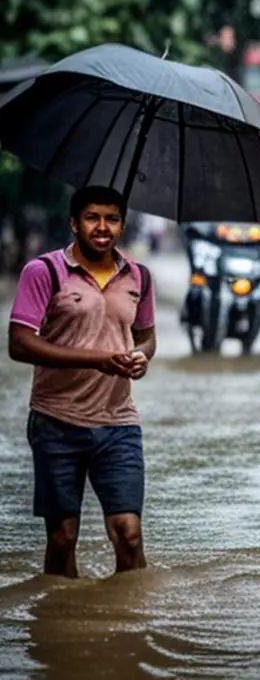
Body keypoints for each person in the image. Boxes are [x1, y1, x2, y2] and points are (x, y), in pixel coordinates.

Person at [7, 185, 156, 578]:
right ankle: (60, 623)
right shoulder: (44, 272)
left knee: (129, 534)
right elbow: (20, 344)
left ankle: (132, 625)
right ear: (74, 223)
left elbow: (146, 337)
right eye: (93, 217)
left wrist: (142, 358)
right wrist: (99, 360)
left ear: (122, 225)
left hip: (119, 423)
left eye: (112, 218)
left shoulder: (138, 276)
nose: (102, 227)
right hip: (57, 420)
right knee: (62, 536)